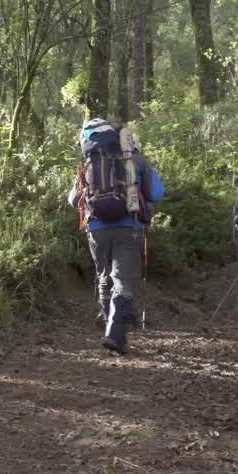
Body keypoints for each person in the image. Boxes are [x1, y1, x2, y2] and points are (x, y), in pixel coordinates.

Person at [68, 120, 164, 354]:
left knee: (104, 277)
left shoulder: (89, 163)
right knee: (123, 281)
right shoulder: (137, 161)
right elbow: (157, 193)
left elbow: (72, 200)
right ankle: (115, 333)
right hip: (128, 228)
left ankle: (110, 327)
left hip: (96, 230)